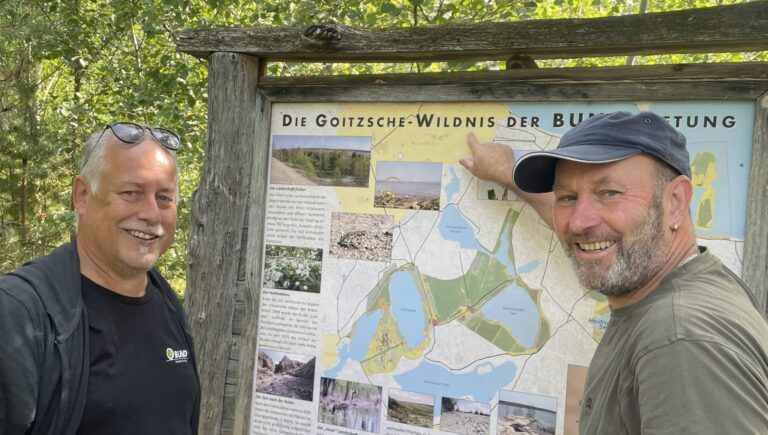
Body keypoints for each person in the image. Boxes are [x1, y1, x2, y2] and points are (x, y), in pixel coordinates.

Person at [460, 111, 768, 434]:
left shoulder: (680, 341)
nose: (579, 221)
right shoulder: (683, 280)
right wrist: (507, 172)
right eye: (568, 197)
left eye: (609, 193)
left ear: (675, 202)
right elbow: (597, 234)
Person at [0, 122, 200, 435]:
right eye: (131, 193)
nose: (151, 213)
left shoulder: (167, 302)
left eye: (164, 198)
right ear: (82, 195)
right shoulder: (20, 314)